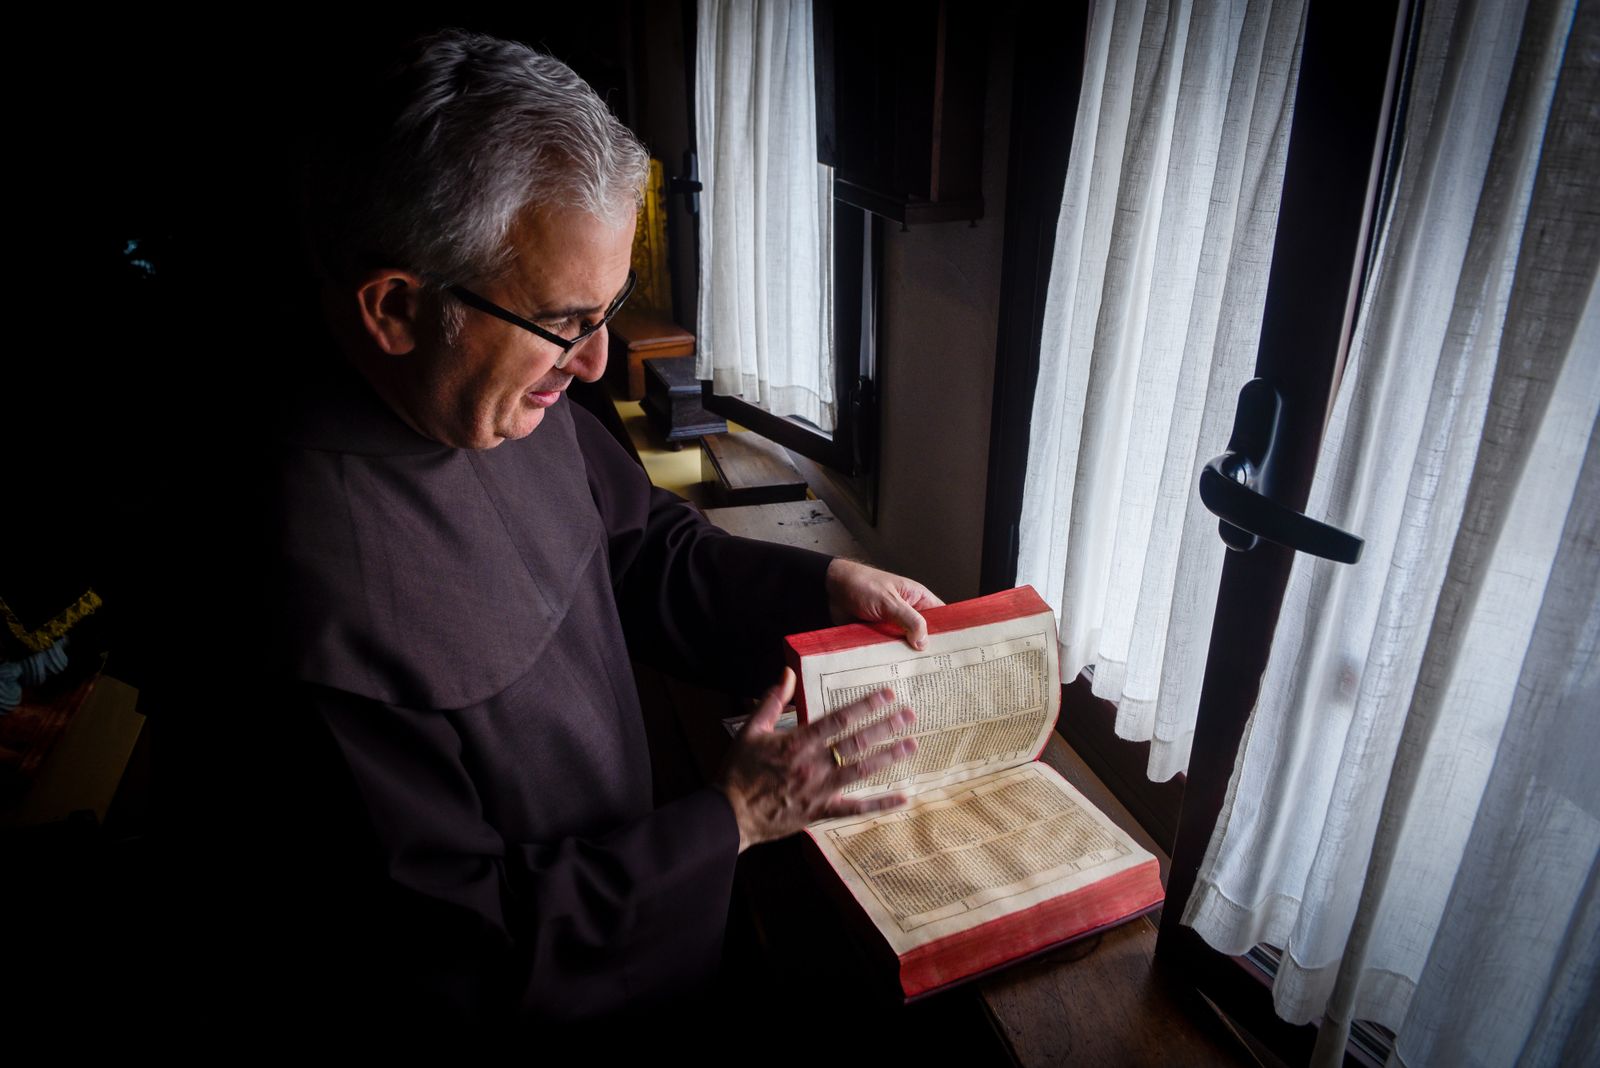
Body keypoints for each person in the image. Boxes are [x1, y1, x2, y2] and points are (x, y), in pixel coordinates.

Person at [174, 27, 944, 1034]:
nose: (591, 367)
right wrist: (731, 819)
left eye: (608, 309)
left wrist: (821, 588)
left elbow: (634, 548)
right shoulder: (302, 595)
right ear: (397, 309)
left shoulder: (481, 389)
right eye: (564, 320)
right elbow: (456, 946)